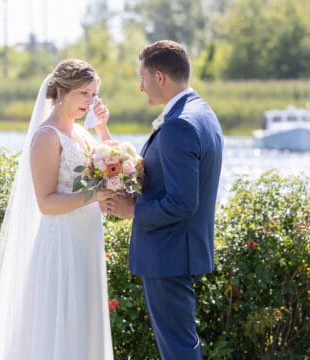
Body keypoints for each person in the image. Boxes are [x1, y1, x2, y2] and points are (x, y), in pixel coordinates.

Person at [0, 59, 116, 360]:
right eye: (84, 93)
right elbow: (46, 203)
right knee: (59, 326)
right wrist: (95, 195)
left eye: (94, 94)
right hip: (61, 243)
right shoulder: (47, 137)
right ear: (62, 91)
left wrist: (102, 128)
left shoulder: (82, 135)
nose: (90, 101)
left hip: (86, 241)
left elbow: (113, 170)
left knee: (85, 324)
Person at [103, 40, 224, 359]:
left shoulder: (179, 125)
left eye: (142, 78)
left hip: (169, 252)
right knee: (181, 343)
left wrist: (134, 210)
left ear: (160, 77)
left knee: (178, 348)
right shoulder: (202, 113)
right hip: (179, 250)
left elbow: (183, 202)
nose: (140, 88)